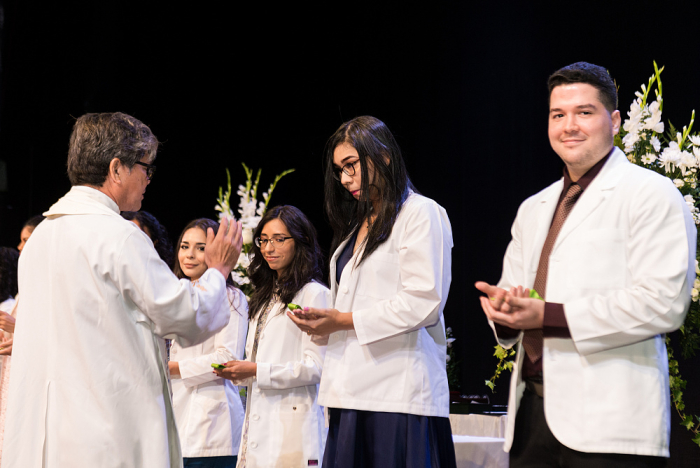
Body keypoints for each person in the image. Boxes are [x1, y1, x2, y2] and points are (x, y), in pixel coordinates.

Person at [476, 62, 697, 467]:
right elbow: (513, 290)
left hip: (610, 423)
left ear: (614, 121)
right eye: (558, 115)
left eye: (584, 112)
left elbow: (664, 303)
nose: (569, 126)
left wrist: (547, 315)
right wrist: (505, 314)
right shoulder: (534, 207)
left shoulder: (651, 193)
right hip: (531, 418)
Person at [2, 112, 243, 468]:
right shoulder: (119, 236)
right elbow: (185, 316)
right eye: (146, 167)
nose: (148, 179)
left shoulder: (40, 238)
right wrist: (219, 270)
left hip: (47, 433)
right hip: (103, 432)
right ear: (116, 168)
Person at [289, 116, 456, 468]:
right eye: (339, 170)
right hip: (349, 391)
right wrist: (325, 325)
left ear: (383, 156)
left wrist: (342, 321)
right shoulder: (357, 226)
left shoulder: (420, 213)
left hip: (397, 395)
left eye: (351, 165)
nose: (344, 178)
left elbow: (424, 301)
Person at [214, 205, 331, 467]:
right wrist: (240, 372)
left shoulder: (314, 294)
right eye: (264, 240)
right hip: (258, 422)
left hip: (294, 426)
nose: (268, 248)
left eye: (279, 239)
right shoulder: (265, 297)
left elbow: (317, 367)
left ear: (300, 241)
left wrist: (257, 371)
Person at [169, 218, 248, 468]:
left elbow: (226, 358)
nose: (190, 255)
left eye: (201, 248)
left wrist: (174, 368)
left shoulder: (231, 297)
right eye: (185, 246)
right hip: (175, 418)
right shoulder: (173, 294)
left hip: (211, 428)